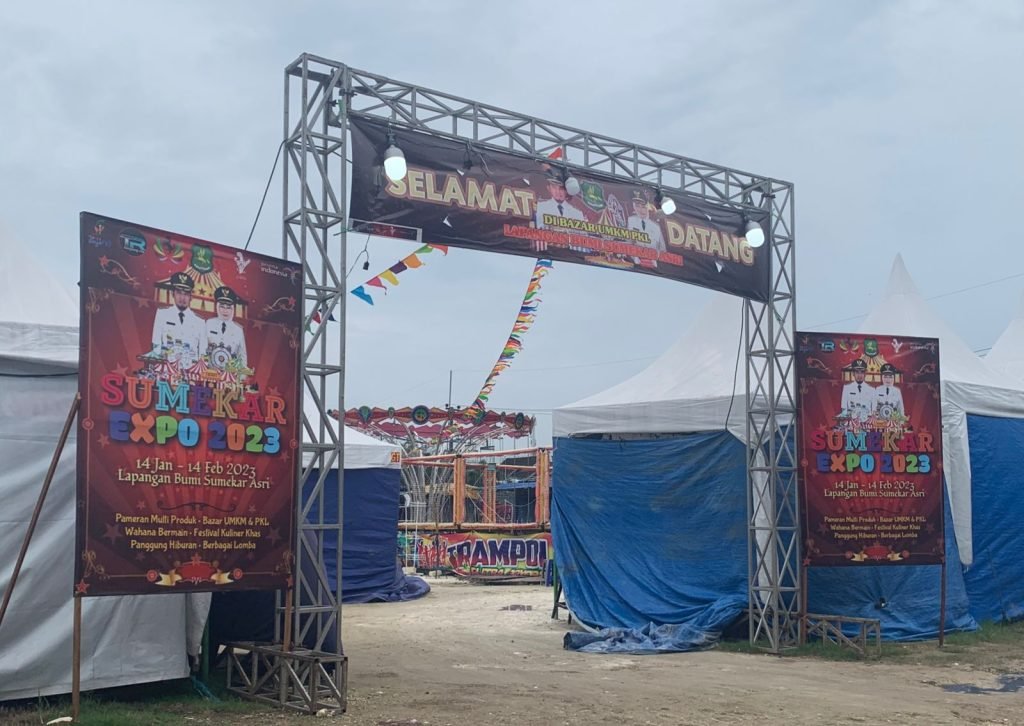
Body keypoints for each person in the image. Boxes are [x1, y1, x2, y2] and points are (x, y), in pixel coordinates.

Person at [151, 272, 206, 366]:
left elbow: (203, 352)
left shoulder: (200, 321)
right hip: (167, 367)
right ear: (173, 294)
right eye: (179, 293)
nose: (182, 298)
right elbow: (156, 344)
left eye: (186, 294)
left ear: (191, 297)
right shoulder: (162, 314)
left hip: (190, 370)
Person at [205, 285, 248, 368]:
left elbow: (242, 357)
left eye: (228, 307)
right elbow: (202, 349)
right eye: (222, 306)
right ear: (217, 307)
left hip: (229, 373)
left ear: (233, 309)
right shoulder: (209, 323)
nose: (225, 311)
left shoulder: (238, 330)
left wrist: (241, 375)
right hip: (210, 371)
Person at [626, 190, 667, 263]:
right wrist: (635, 258)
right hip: (635, 263)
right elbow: (628, 242)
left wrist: (654, 258)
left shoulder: (656, 226)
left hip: (653, 265)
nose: (640, 210)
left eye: (643, 207)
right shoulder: (630, 220)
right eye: (637, 206)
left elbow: (663, 249)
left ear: (649, 207)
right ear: (634, 206)